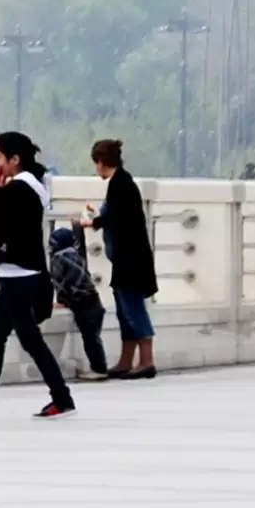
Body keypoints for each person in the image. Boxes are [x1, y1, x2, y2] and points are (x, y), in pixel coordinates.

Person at [0, 130, 74, 418]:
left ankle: (62, 397)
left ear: (14, 160)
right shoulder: (27, 188)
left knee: (26, 339)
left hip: (19, 276)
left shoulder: (19, 190)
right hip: (17, 273)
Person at [87, 136, 160, 381]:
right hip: (124, 261)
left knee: (134, 309)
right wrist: (97, 219)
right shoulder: (120, 183)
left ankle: (146, 361)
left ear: (100, 162)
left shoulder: (121, 185)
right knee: (124, 309)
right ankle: (126, 361)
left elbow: (116, 219)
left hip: (130, 261)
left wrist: (94, 221)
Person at [48, 219, 113, 379]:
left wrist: (62, 301)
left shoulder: (58, 259)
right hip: (94, 302)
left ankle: (99, 369)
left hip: (84, 306)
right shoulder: (77, 256)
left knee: (91, 339)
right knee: (93, 338)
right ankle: (99, 367)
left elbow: (60, 283)